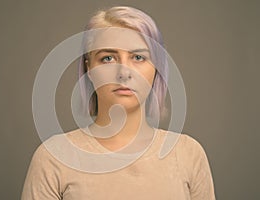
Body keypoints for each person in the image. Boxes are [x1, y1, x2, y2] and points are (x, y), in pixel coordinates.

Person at [21, 6, 215, 200]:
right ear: (89, 68)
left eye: (138, 57)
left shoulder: (189, 153)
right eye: (108, 58)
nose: (124, 72)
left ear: (157, 67)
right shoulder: (53, 157)